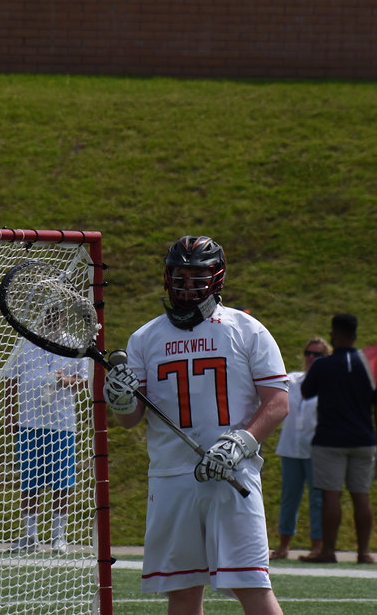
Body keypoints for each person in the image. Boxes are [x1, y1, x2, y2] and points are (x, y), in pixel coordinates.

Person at [103, 235, 289, 615]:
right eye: (179, 275)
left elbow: (278, 402)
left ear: (216, 277)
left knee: (250, 583)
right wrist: (120, 399)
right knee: (183, 591)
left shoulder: (247, 329)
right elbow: (128, 419)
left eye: (196, 275)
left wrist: (241, 442)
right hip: (171, 478)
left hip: (231, 474)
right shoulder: (145, 337)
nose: (187, 284)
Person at [300, 313, 377, 564]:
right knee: (361, 495)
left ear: (333, 335)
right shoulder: (371, 364)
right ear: (356, 335)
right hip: (364, 439)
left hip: (330, 439)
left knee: (332, 495)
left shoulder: (323, 365)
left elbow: (307, 393)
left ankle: (328, 551)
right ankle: (363, 552)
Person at [5, 332, 89, 555]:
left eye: (57, 314)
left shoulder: (74, 343)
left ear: (63, 318)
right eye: (49, 313)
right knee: (29, 481)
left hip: (62, 423)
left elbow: (85, 380)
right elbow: (11, 379)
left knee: (62, 482)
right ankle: (30, 535)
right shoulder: (25, 342)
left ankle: (58, 537)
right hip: (29, 421)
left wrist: (65, 381)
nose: (52, 318)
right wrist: (9, 414)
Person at [270, 336, 331, 561]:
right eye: (309, 353)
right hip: (290, 448)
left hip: (316, 449)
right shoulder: (292, 380)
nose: (311, 359)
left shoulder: (329, 384)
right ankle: (284, 545)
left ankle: (318, 545)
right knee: (289, 498)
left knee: (317, 500)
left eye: (318, 355)